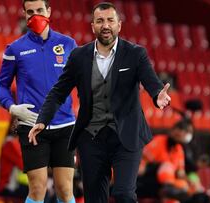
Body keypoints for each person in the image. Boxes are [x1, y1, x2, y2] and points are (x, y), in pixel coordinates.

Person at [27, 2, 171, 203]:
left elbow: (151, 82)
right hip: (91, 138)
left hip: (126, 136)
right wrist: (43, 120)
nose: (105, 25)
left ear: (119, 25)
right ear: (92, 26)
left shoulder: (136, 54)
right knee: (94, 199)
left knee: (124, 194)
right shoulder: (79, 56)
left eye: (110, 20)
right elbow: (58, 92)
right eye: (100, 21)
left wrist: (158, 96)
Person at [0, 0, 77, 203]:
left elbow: (83, 80)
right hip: (31, 126)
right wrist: (13, 107)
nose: (35, 15)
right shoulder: (15, 49)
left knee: (65, 190)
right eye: (30, 11)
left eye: (40, 10)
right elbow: (1, 86)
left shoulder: (68, 44)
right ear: (24, 14)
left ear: (49, 11)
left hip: (65, 124)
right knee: (38, 187)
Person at [137, 120, 209, 203]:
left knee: (183, 186)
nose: (179, 137)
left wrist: (190, 183)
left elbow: (180, 173)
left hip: (169, 187)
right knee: (167, 166)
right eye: (178, 133)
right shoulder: (158, 141)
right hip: (148, 180)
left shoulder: (179, 150)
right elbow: (142, 164)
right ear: (173, 130)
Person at [0, 117, 28, 200]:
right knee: (40, 190)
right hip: (8, 187)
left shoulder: (19, 142)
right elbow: (24, 165)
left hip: (18, 185)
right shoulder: (10, 143)